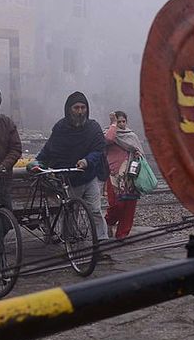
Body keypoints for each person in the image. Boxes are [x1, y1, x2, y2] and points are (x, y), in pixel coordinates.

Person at [35, 91, 108, 242]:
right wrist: (37, 162)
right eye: (76, 108)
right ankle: (70, 242)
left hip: (89, 176)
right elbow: (50, 149)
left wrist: (86, 161)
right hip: (68, 178)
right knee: (70, 211)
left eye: (83, 107)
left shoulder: (93, 128)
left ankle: (102, 241)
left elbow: (99, 149)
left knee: (95, 211)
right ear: (69, 109)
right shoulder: (60, 128)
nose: (80, 111)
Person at [103, 110, 144, 240]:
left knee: (130, 205)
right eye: (118, 121)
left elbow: (139, 151)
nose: (121, 124)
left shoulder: (131, 136)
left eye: (123, 121)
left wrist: (137, 154)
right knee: (117, 204)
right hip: (114, 175)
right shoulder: (109, 133)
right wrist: (113, 124)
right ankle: (108, 221)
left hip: (130, 175)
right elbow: (108, 139)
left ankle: (122, 234)